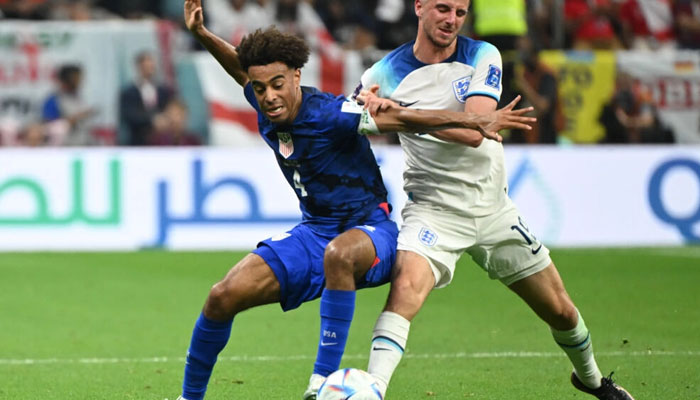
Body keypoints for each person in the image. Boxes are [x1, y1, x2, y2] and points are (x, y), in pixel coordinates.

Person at [179, 1, 535, 399]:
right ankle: (188, 398)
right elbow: (241, 68)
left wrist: (472, 120)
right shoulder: (268, 101)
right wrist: (202, 34)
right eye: (260, 89)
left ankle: (320, 386)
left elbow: (404, 120)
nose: (268, 96)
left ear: (297, 76)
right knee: (221, 296)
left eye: (278, 84)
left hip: (371, 232)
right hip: (314, 232)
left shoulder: (334, 114)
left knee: (339, 254)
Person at [352, 1, 636, 399]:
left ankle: (592, 381)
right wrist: (370, 111)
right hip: (433, 212)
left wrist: (398, 112)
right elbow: (355, 119)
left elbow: (476, 128)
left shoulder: (483, 54)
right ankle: (371, 390)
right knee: (404, 294)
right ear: (418, 6)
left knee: (561, 311)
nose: (452, 20)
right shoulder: (381, 73)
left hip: (493, 210)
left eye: (461, 12)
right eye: (442, 8)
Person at [119, 51, 174, 145]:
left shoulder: (163, 91)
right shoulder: (128, 92)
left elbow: (168, 109)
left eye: (151, 65)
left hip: (161, 141)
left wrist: (164, 120)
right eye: (146, 66)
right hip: (138, 141)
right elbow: (128, 115)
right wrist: (152, 120)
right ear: (139, 67)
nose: (149, 68)